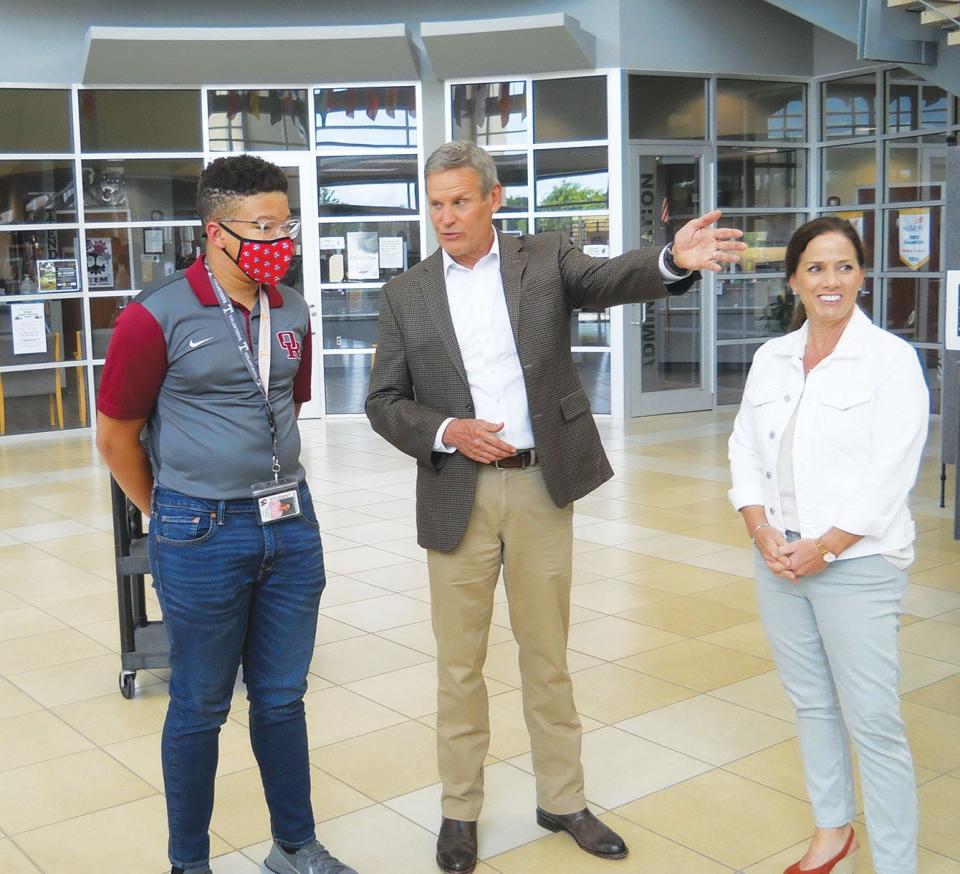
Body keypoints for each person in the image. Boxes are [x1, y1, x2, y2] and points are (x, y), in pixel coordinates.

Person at [366, 141, 745, 874]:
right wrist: (446, 430)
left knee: (547, 655)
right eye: (436, 202)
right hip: (457, 491)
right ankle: (459, 812)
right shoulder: (406, 292)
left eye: (460, 201)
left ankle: (563, 798)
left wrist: (670, 260)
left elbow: (608, 278)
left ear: (493, 198)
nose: (446, 216)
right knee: (459, 666)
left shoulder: (544, 259)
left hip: (541, 486)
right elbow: (383, 401)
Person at [96, 155, 357, 874]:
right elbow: (116, 436)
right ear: (216, 232)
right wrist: (171, 512)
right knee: (200, 704)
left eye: (286, 223)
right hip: (199, 529)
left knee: (281, 697)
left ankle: (294, 846)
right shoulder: (155, 316)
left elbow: (286, 402)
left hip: (290, 525)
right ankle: (189, 862)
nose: (280, 238)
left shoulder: (292, 307)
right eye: (263, 226)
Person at [728, 216, 928, 874]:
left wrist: (827, 547)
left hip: (857, 565)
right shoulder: (772, 358)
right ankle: (832, 831)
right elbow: (743, 450)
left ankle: (897, 863)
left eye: (844, 266)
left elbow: (887, 477)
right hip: (779, 558)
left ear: (863, 276)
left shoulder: (890, 362)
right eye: (815, 268)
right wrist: (763, 533)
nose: (830, 280)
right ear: (794, 280)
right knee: (812, 701)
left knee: (873, 720)